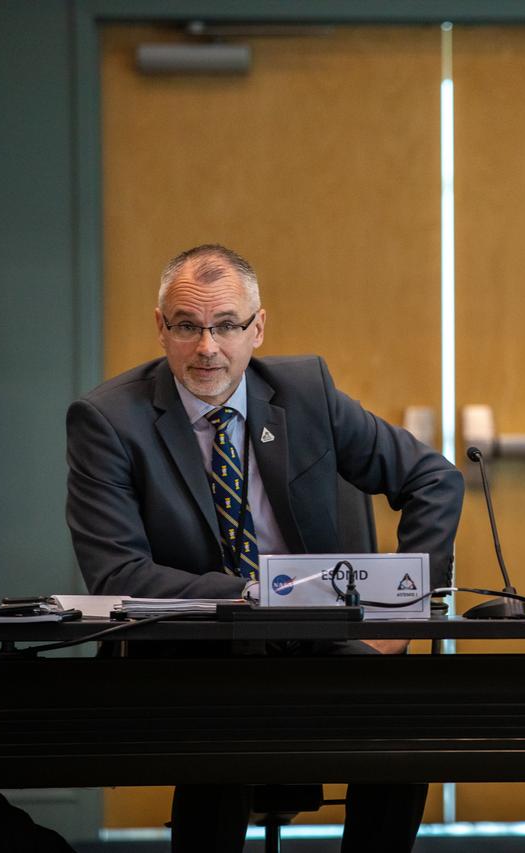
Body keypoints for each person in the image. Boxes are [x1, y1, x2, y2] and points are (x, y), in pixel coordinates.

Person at [66, 243, 464, 853]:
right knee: (227, 724)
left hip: (315, 638)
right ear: (160, 328)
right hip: (194, 649)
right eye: (187, 326)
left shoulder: (305, 391)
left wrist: (401, 613)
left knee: (402, 719)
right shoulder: (108, 420)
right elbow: (118, 575)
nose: (207, 347)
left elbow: (433, 479)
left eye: (226, 325)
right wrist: (258, 595)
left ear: (257, 328)